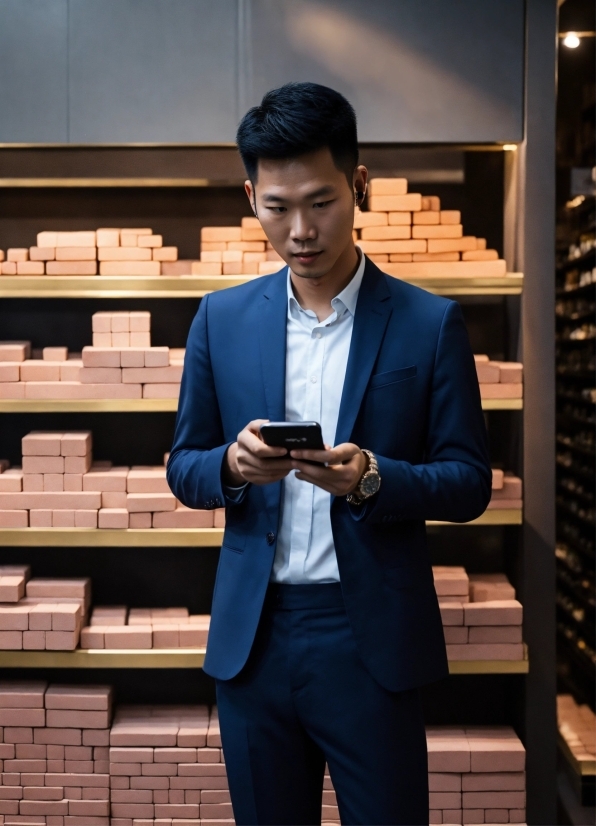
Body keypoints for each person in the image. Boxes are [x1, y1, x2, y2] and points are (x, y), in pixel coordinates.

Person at [167, 81, 492, 826]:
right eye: (277, 208)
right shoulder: (219, 320)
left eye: (321, 202)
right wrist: (231, 467)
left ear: (360, 186)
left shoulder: (428, 323)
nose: (300, 230)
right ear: (251, 197)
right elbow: (184, 464)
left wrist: (372, 478)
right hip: (255, 640)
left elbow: (469, 480)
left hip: (369, 640)